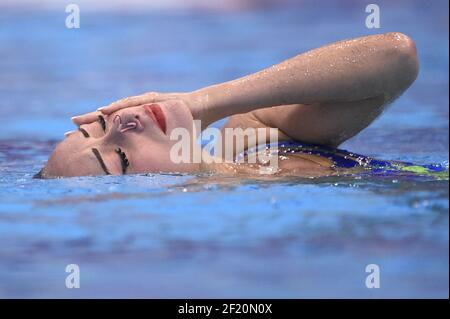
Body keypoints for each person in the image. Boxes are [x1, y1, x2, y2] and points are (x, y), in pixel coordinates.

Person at [38, 32, 420, 178]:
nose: (122, 123)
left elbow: (396, 57)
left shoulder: (254, 135)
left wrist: (202, 104)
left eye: (100, 125)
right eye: (119, 158)